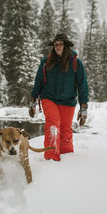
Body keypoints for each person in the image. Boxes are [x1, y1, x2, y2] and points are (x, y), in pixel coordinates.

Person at [29, 33, 89, 161]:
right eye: (56, 44)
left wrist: (83, 107)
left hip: (68, 100)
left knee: (66, 129)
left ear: (66, 46)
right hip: (48, 98)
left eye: (61, 44)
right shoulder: (46, 62)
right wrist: (33, 100)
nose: (58, 47)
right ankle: (51, 158)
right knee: (53, 124)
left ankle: (67, 158)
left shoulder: (76, 63)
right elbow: (38, 81)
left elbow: (82, 85)